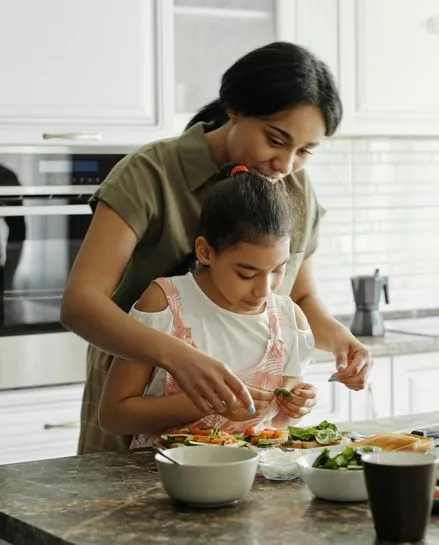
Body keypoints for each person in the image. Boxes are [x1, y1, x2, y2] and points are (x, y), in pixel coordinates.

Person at [61, 41, 372, 455]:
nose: (286, 164)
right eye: (275, 140)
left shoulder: (294, 187)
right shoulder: (150, 173)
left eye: (304, 152)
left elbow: (298, 295)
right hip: (138, 401)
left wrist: (340, 341)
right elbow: (80, 303)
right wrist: (178, 358)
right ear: (235, 110)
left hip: (241, 435)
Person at [99, 167, 317, 445]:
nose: (264, 289)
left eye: (278, 269)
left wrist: (295, 406)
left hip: (253, 479)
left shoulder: (289, 319)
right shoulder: (165, 303)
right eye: (246, 273)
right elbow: (114, 416)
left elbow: (278, 425)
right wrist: (211, 403)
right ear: (204, 251)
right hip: (164, 478)